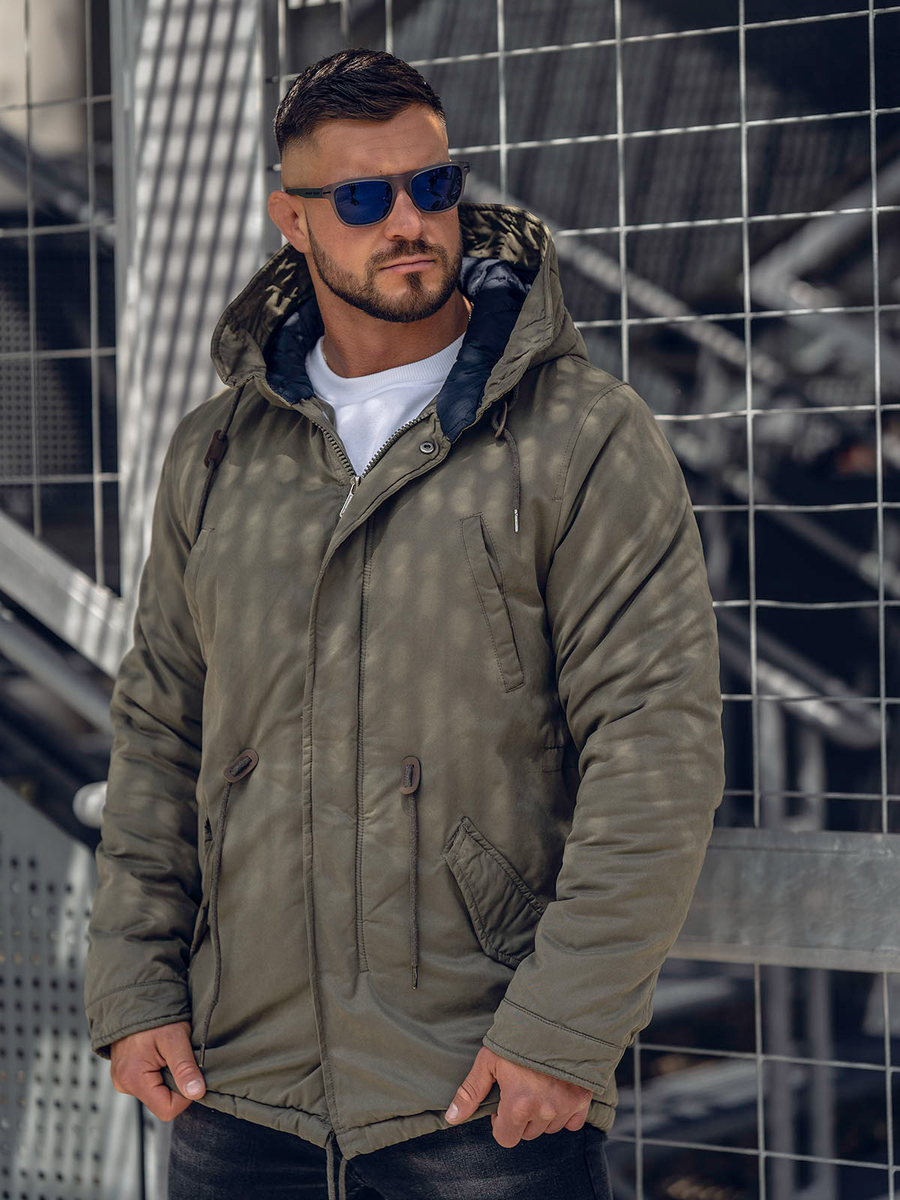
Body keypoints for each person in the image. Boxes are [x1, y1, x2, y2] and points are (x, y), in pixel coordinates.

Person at [84, 48, 725, 1200]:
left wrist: (563, 1030)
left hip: (478, 1091)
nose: (409, 222)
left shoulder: (579, 435)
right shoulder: (218, 452)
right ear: (292, 220)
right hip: (238, 1091)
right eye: (363, 198)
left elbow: (655, 747)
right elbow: (160, 732)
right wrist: (133, 986)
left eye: (433, 186)